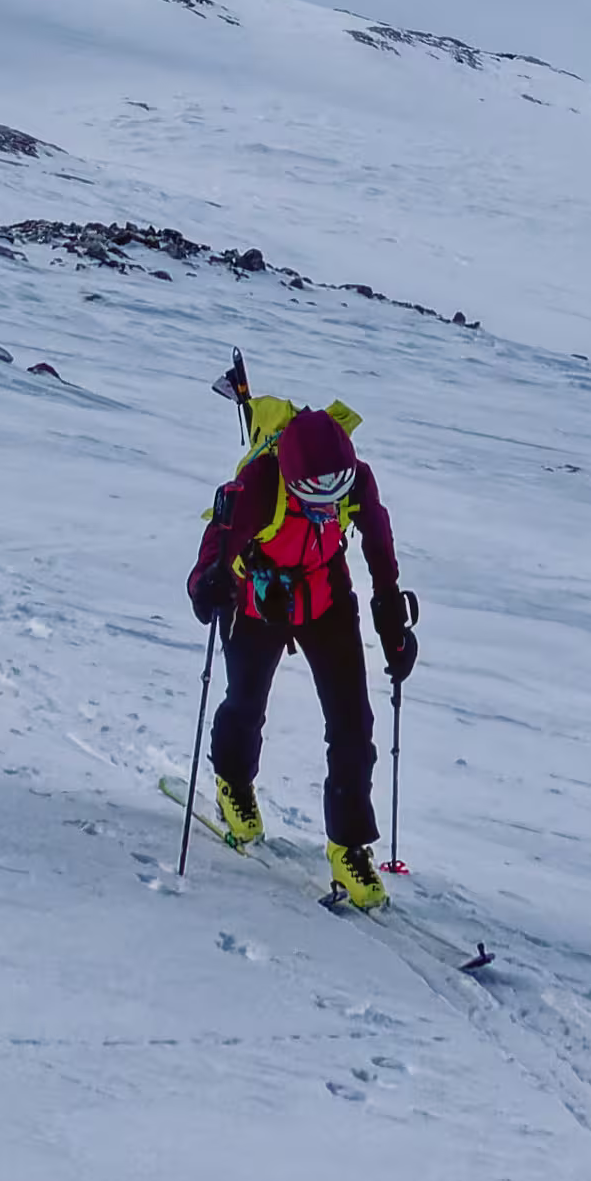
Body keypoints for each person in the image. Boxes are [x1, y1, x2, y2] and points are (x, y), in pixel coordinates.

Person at [188, 365, 418, 910]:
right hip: (257, 597)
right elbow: (216, 544)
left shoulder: (355, 478)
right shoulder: (262, 483)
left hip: (325, 597)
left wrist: (393, 628)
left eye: (333, 489)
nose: (324, 502)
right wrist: (209, 585)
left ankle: (349, 846)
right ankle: (234, 787)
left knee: (353, 723)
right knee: (246, 704)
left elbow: (380, 552)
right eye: (313, 491)